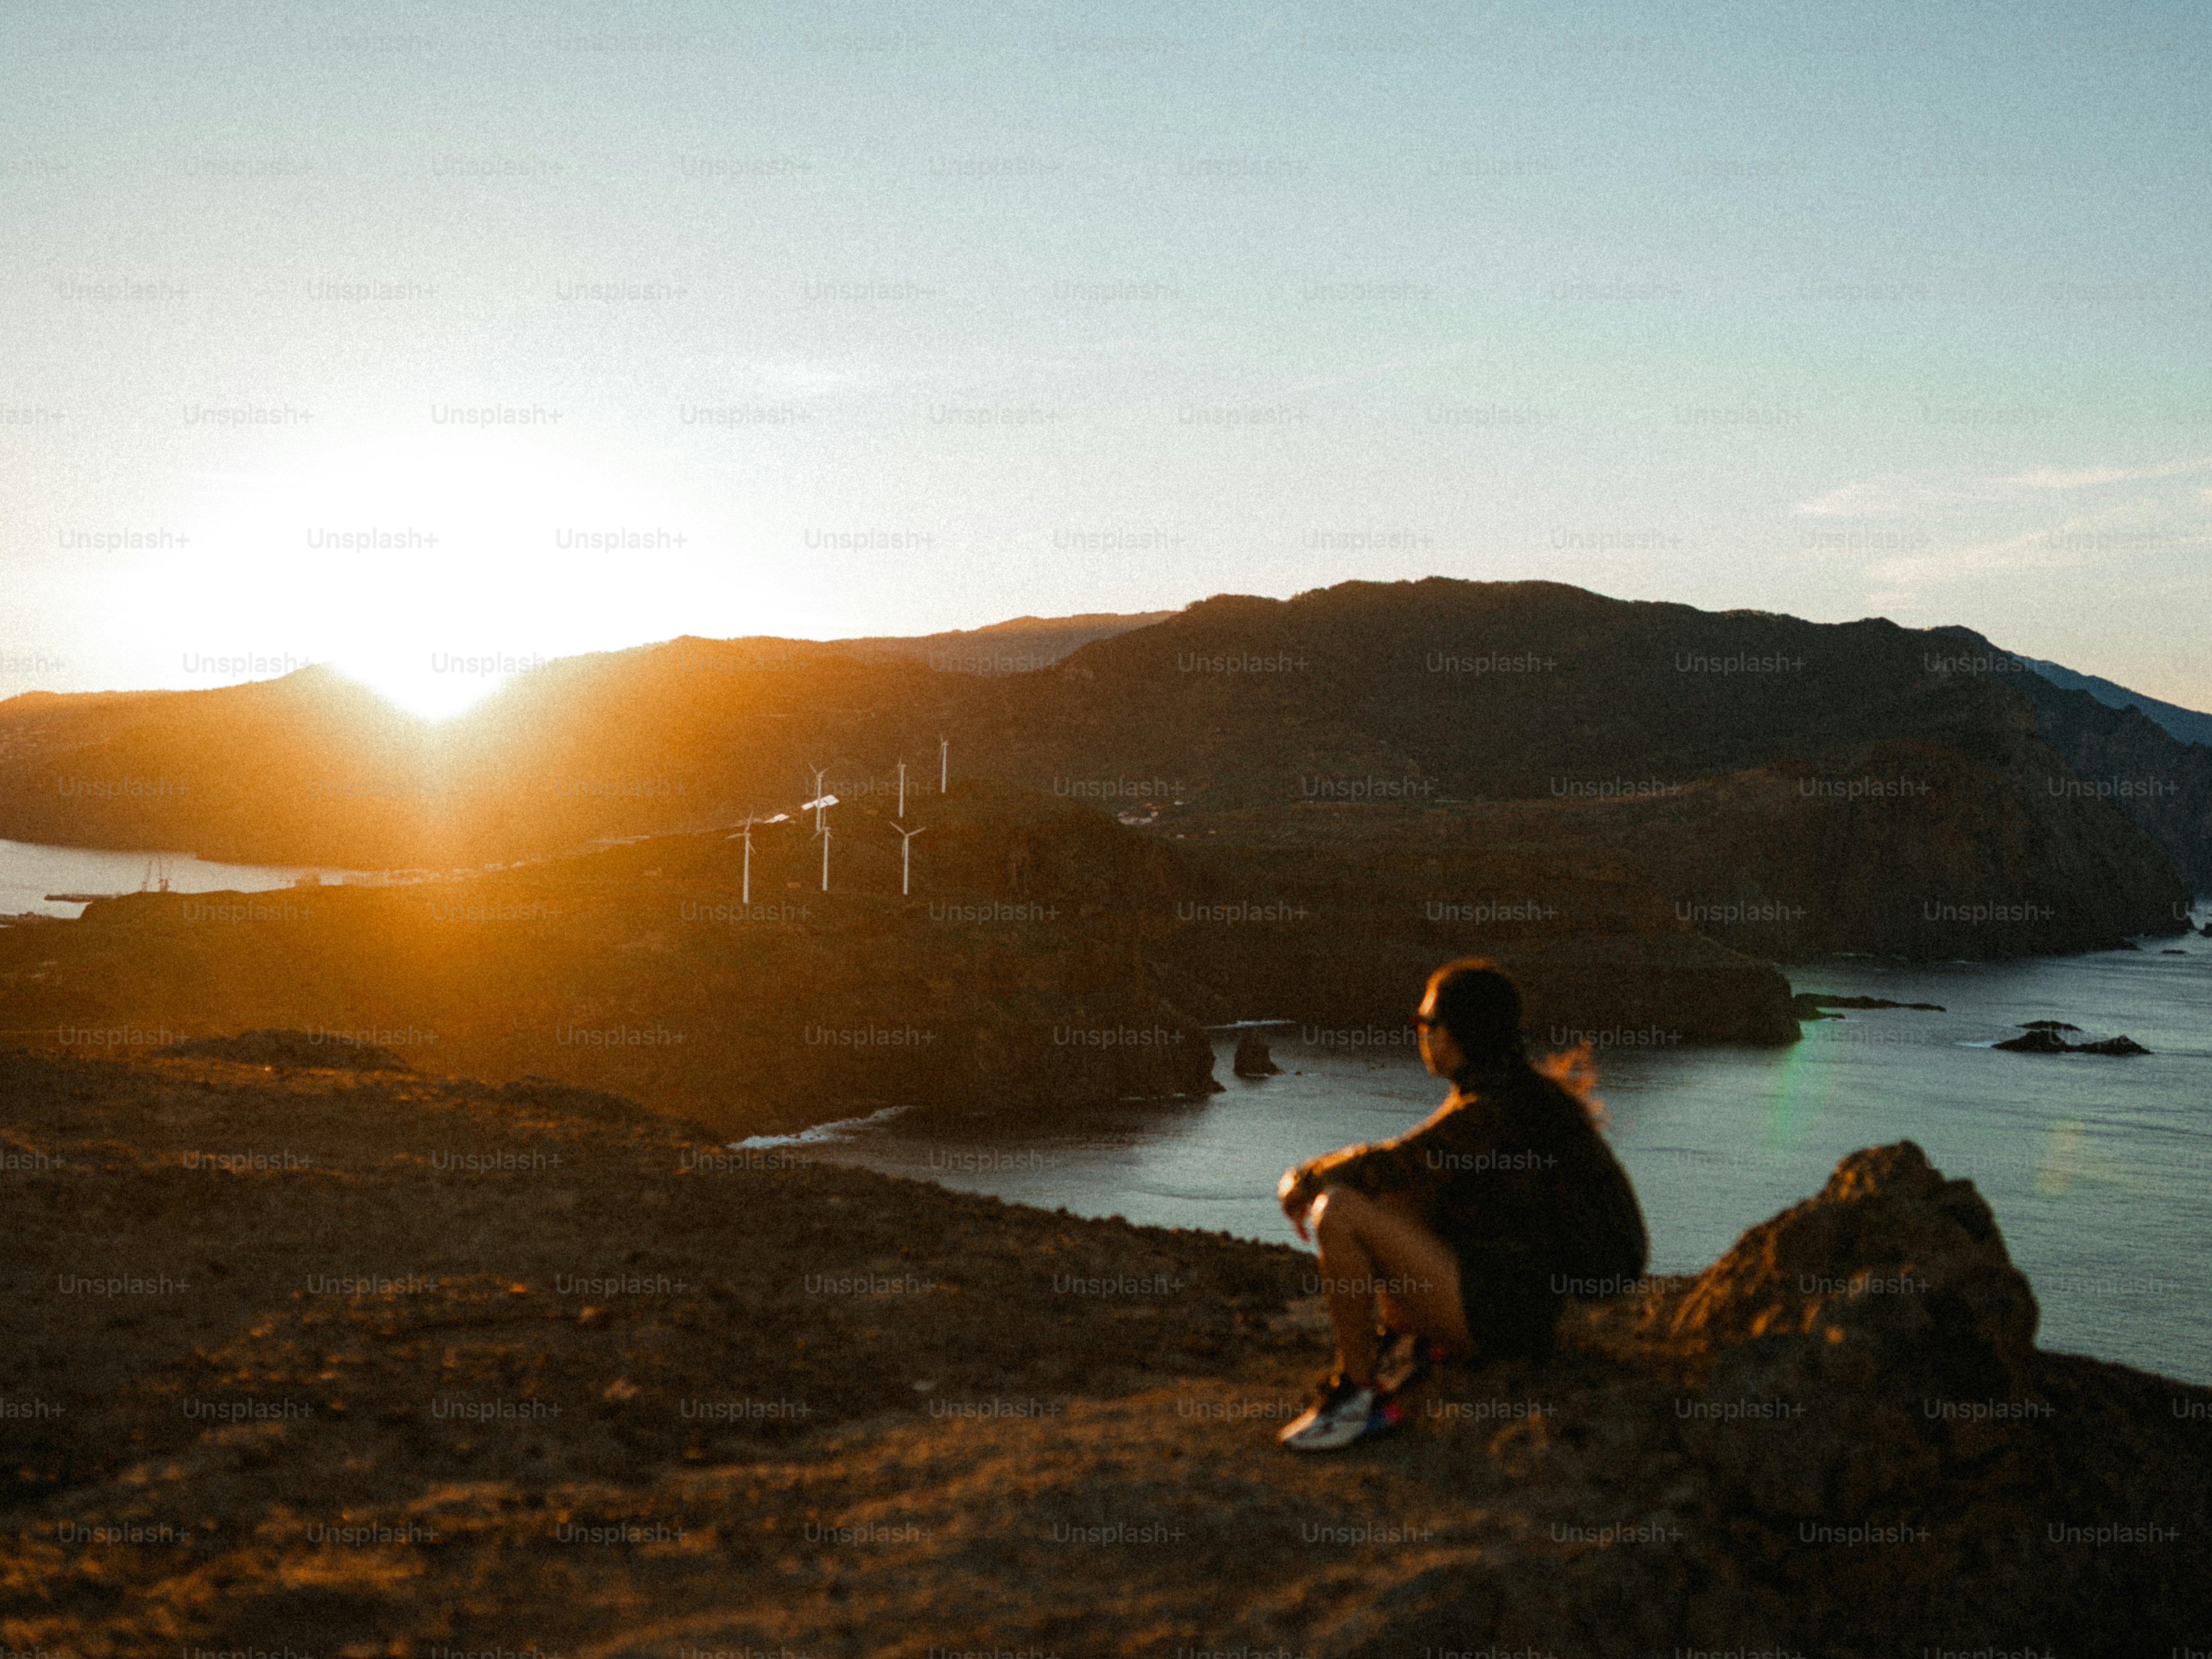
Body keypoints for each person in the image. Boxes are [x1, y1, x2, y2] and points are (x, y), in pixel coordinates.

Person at [1273, 958, 1649, 1452]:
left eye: (1425, 1023)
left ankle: (1357, 1397)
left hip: (1507, 1316)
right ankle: (1413, 1340)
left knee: (1339, 1208)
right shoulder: (1516, 1093)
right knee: (1395, 1190)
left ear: (1457, 1033)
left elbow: (1385, 1163)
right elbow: (1406, 1164)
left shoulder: (1491, 1111)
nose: (1419, 1033)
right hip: (1523, 1300)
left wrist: (1300, 1181)